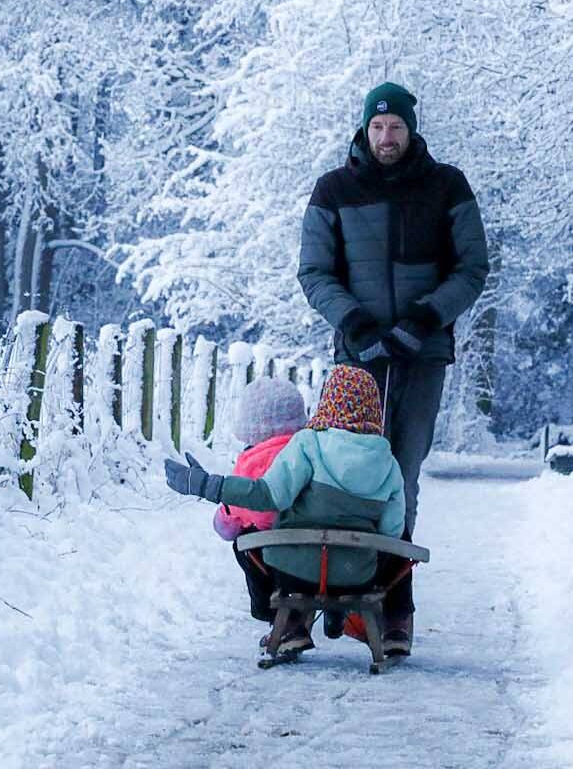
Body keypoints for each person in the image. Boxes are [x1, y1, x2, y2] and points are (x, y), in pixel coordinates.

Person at [295, 81, 488, 645]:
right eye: (377, 127)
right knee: (337, 467)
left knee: (402, 473)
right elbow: (315, 271)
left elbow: (472, 268)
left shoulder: (446, 186)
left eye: (396, 127)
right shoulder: (333, 190)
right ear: (364, 128)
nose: (386, 137)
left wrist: (422, 321)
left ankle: (393, 603)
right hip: (357, 355)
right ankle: (323, 588)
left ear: (411, 129)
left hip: (423, 353)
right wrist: (356, 323)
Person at [165, 365, 408, 658]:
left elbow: (270, 495)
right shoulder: (389, 463)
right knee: (403, 538)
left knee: (249, 538)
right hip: (356, 574)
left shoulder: (307, 442)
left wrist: (207, 484)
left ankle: (290, 624)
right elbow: (392, 532)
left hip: (294, 573)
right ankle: (396, 625)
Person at [212, 377, 308, 546]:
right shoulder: (309, 451)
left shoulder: (249, 463)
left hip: (269, 561)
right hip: (315, 554)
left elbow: (226, 530)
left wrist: (226, 514)